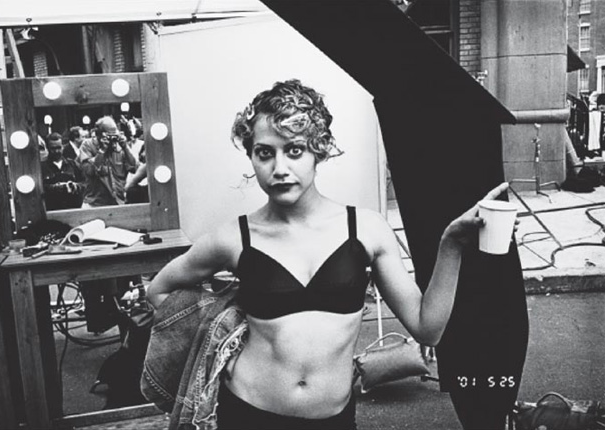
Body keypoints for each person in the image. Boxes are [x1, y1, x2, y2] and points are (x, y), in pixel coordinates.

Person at [147, 79, 510, 430]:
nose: (280, 169)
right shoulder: (234, 238)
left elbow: (427, 329)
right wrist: (219, 334)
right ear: (252, 156)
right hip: (246, 413)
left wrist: (451, 245)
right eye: (265, 153)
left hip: (333, 420)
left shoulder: (365, 229)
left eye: (294, 150)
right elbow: (159, 290)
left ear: (317, 150)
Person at [78, 116, 137, 208]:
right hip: (95, 204)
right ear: (98, 135)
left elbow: (134, 168)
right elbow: (90, 171)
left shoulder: (120, 147)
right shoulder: (87, 145)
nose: (113, 139)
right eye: (109, 136)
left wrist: (125, 147)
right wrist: (102, 150)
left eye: (114, 135)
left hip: (118, 203)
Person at [41, 132, 85, 210]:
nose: (56, 151)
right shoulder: (42, 167)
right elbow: (40, 189)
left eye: (59, 148)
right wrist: (57, 188)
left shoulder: (73, 164)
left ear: (63, 147)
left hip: (73, 209)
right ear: (47, 148)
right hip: (52, 210)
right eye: (53, 148)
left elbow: (84, 183)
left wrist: (75, 186)